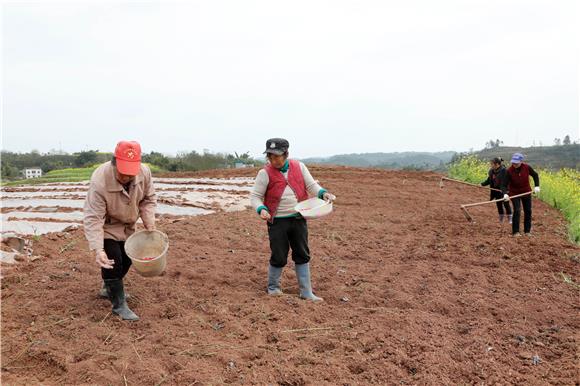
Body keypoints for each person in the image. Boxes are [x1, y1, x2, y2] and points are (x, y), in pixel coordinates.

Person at [251, 138, 336, 302]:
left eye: (277, 156)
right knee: (279, 254)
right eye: (270, 156)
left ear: (286, 154)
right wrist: (261, 209)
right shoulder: (264, 173)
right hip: (277, 221)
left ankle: (306, 291)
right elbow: (255, 197)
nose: (273, 160)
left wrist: (323, 193)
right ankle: (273, 287)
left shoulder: (299, 167)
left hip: (298, 218)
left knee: (302, 253)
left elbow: (311, 186)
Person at [83, 141, 157, 320]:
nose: (126, 177)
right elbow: (94, 217)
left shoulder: (144, 173)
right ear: (114, 162)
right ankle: (119, 305)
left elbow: (148, 199)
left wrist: (150, 224)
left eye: (130, 173)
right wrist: (98, 249)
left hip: (128, 224)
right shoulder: (100, 180)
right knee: (113, 260)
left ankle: (108, 288)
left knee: (127, 259)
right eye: (122, 172)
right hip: (107, 225)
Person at [501, 153, 540, 237]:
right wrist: (505, 194)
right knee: (517, 210)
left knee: (528, 211)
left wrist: (537, 186)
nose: (514, 164)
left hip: (526, 192)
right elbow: (503, 185)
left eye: (516, 163)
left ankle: (527, 231)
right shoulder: (509, 171)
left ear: (521, 161)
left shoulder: (527, 167)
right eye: (513, 162)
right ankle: (516, 232)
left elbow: (535, 175)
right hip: (514, 193)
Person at [481, 157, 512, 223]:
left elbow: (507, 182)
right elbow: (489, 180)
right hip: (495, 190)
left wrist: (506, 192)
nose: (490, 165)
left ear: (497, 164)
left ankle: (510, 219)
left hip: (503, 191)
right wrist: (482, 184)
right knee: (499, 204)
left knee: (506, 204)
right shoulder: (491, 171)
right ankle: (501, 219)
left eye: (492, 164)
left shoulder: (504, 171)